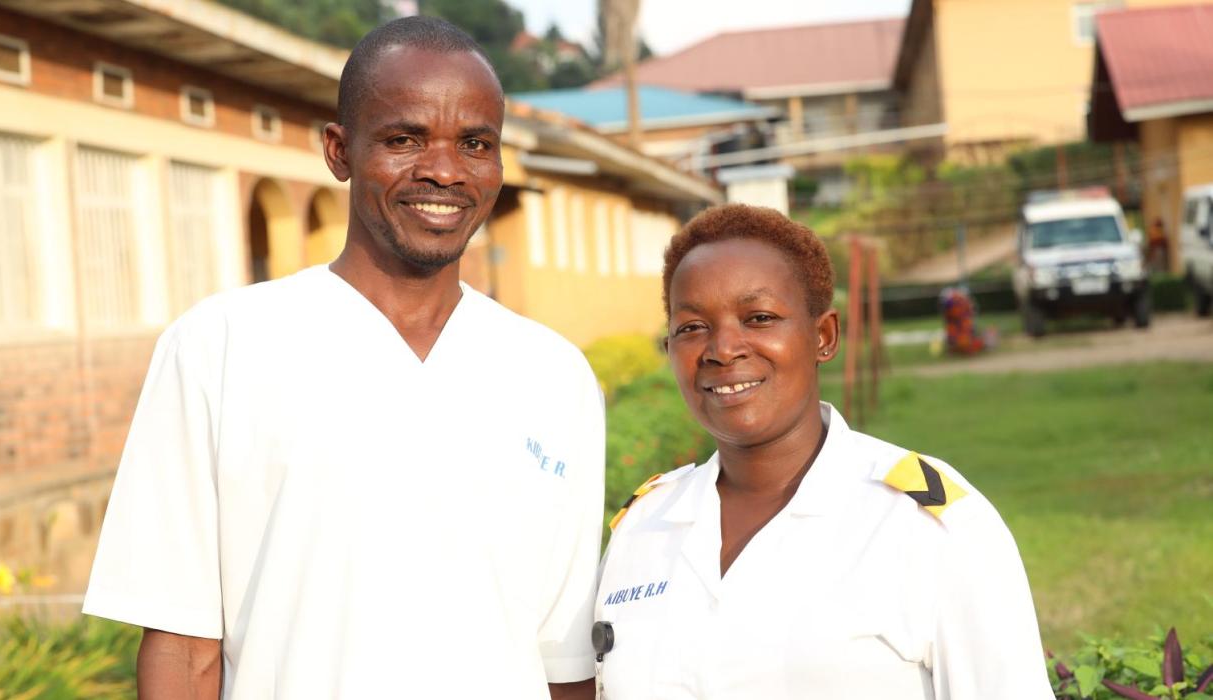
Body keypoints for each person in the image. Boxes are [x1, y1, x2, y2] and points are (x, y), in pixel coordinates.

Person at [83, 17, 602, 699]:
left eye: (475, 143)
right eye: (404, 139)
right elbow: (183, 649)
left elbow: (563, 666)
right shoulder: (220, 348)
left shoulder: (554, 376)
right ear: (339, 151)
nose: (444, 170)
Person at [593, 204, 1053, 699]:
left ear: (823, 336)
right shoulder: (643, 528)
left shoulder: (923, 527)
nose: (723, 349)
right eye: (691, 327)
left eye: (760, 317)